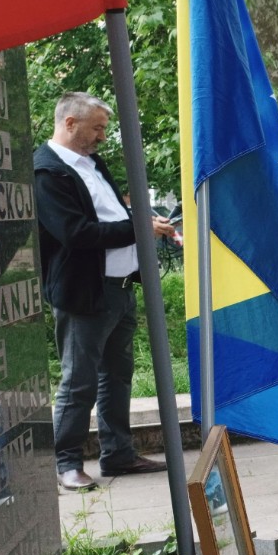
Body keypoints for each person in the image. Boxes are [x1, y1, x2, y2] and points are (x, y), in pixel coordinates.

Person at [34, 92, 173, 491]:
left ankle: (118, 453)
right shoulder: (47, 172)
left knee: (117, 377)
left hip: (120, 288)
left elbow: (113, 214)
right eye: (97, 128)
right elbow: (76, 234)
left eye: (104, 128)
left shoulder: (93, 164)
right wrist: (140, 228)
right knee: (79, 382)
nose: (102, 137)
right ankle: (66, 464)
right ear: (70, 123)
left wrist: (143, 219)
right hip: (84, 294)